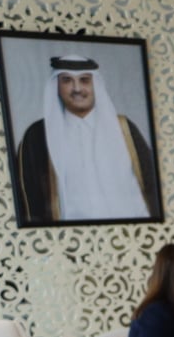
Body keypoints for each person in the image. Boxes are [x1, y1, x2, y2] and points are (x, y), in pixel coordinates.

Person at [15, 54, 159, 224]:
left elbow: (152, 185)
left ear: (95, 85)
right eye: (67, 80)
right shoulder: (37, 135)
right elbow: (28, 199)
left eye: (84, 80)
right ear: (56, 86)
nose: (77, 88)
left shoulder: (124, 129)